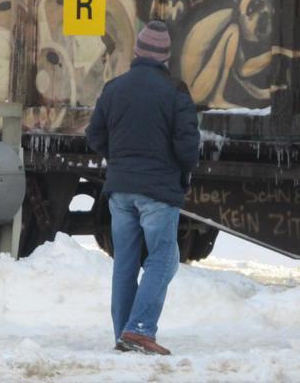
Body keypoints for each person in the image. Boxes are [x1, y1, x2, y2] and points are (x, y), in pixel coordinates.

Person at [86, 20, 201, 356]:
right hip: (158, 192)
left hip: (120, 192)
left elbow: (95, 136)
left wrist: (118, 159)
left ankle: (124, 332)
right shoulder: (176, 92)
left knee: (125, 261)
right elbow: (187, 150)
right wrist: (180, 171)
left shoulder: (114, 89)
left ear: (137, 52)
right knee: (164, 258)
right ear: (165, 57)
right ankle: (138, 330)